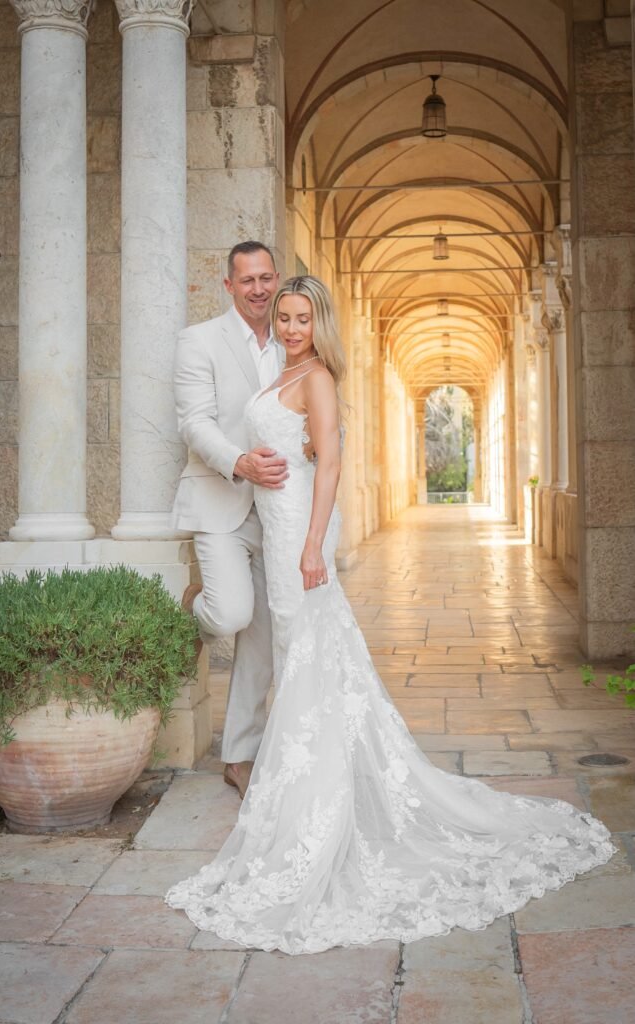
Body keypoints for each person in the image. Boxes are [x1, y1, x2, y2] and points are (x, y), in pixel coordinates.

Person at [167, 275, 615, 956]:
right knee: (305, 663)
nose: (290, 328)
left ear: (319, 324)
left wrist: (314, 545)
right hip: (272, 524)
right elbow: (288, 450)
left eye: (301, 318)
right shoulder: (282, 372)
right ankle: (313, 789)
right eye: (283, 317)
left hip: (295, 536)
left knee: (305, 660)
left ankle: (316, 806)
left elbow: (331, 463)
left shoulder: (314, 377)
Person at [172, 241, 286, 798]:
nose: (259, 289)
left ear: (277, 278)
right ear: (229, 285)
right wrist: (239, 462)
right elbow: (194, 423)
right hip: (221, 499)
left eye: (267, 278)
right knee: (230, 614)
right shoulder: (200, 341)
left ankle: (239, 756)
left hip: (278, 511)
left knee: (264, 635)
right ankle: (194, 600)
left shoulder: (294, 339)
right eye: (248, 281)